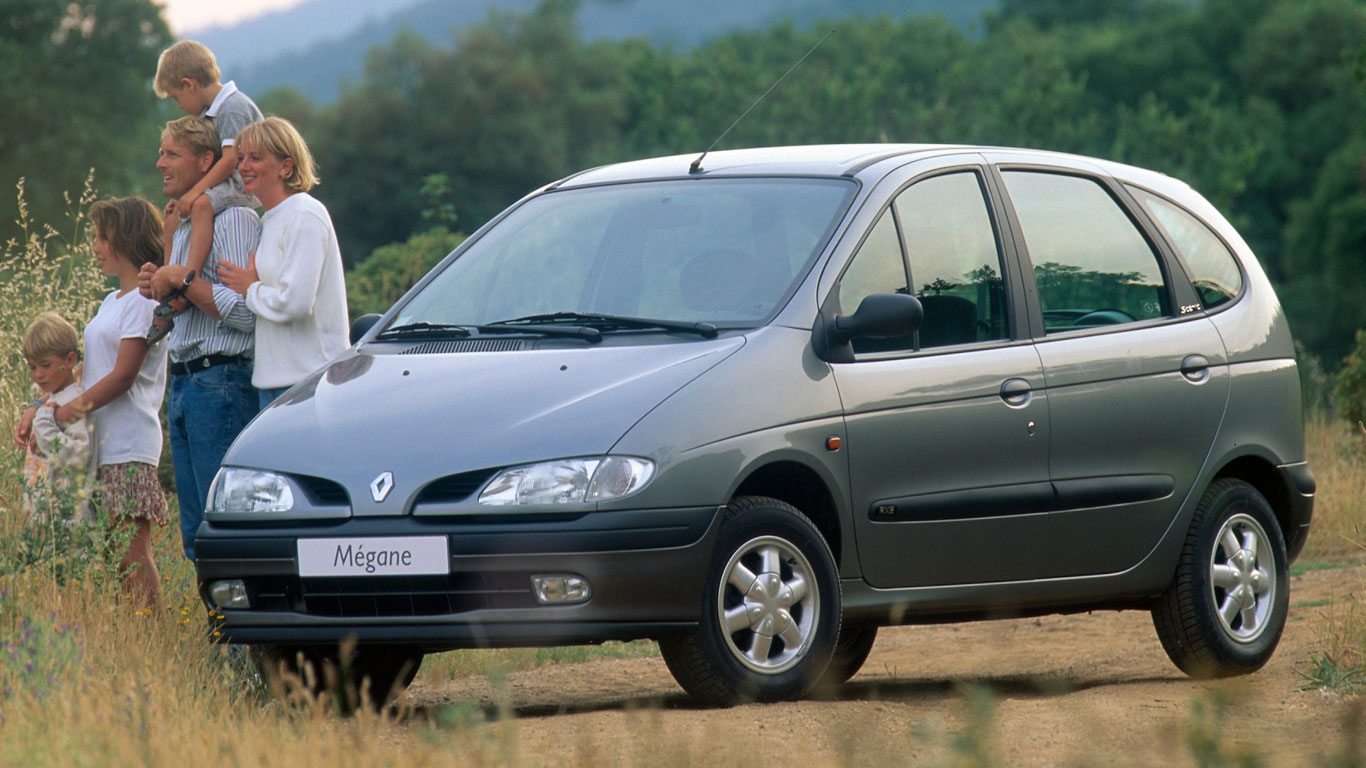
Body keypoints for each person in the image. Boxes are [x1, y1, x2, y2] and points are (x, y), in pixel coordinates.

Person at [140, 116, 262, 561]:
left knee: (223, 523)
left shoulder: (234, 220)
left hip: (221, 380)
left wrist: (184, 280)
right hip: (187, 382)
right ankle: (218, 629)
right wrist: (160, 281)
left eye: (172, 154)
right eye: (162, 153)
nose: (160, 163)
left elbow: (248, 312)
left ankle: (242, 629)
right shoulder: (186, 224)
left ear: (206, 161)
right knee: (195, 531)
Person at [44, 198, 170, 609]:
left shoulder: (144, 302)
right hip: (104, 444)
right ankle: (134, 634)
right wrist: (44, 407)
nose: (95, 246)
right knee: (114, 555)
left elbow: (122, 375)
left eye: (101, 238)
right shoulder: (110, 302)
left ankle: (152, 636)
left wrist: (70, 412)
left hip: (129, 443)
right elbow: (95, 369)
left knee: (132, 554)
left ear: (125, 239)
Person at [218, 117, 348, 408]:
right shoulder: (268, 220)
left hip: (309, 383)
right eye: (240, 158)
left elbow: (296, 303)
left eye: (255, 158)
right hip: (272, 384)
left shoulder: (305, 214)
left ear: (286, 167)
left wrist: (250, 289)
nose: (243, 167)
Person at [150, 40, 262, 343]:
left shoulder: (233, 107)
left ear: (188, 85)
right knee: (178, 215)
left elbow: (230, 160)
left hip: (240, 184)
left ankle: (188, 281)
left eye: (176, 97)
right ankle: (176, 282)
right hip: (228, 183)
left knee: (198, 207)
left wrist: (194, 192)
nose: (179, 105)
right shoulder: (215, 112)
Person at [19, 312, 96, 523]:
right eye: (32, 367)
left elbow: (78, 455)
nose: (38, 375)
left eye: (45, 365)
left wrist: (43, 422)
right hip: (43, 518)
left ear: (70, 360)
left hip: (68, 522)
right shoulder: (50, 402)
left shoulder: (73, 402)